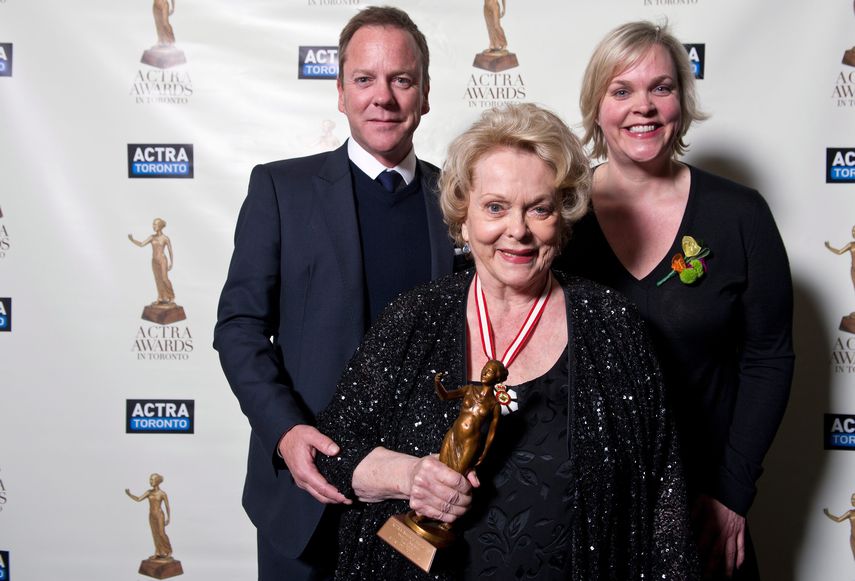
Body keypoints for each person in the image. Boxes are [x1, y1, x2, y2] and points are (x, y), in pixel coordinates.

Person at [315, 103, 697, 580]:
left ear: (562, 218)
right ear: (464, 218)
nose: (517, 230)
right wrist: (410, 476)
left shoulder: (612, 324)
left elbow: (665, 501)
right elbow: (331, 453)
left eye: (539, 208)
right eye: (495, 207)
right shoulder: (415, 317)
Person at [213, 6, 455, 580]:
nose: (383, 97)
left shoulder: (460, 201)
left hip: (424, 498)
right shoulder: (280, 189)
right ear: (340, 92)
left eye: (402, 79)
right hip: (310, 495)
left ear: (424, 94)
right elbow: (239, 327)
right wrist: (286, 432)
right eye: (364, 79)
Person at [556, 21, 794, 580]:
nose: (644, 106)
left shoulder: (740, 215)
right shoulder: (557, 216)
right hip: (583, 507)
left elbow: (770, 358)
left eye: (661, 88)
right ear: (596, 107)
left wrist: (733, 496)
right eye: (622, 90)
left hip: (702, 505)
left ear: (682, 104)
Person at [125, 473, 174, 560]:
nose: (150, 481)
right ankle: (158, 552)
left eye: (152, 479)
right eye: (150, 479)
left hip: (159, 515)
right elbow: (138, 499)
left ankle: (169, 550)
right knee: (155, 534)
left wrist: (168, 518)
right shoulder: (149, 492)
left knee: (161, 534)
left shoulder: (162, 494)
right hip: (151, 515)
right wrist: (129, 494)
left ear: (157, 481)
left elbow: (167, 506)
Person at [128, 218, 176, 306]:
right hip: (154, 261)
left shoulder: (165, 238)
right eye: (153, 224)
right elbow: (142, 244)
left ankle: (171, 296)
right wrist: (132, 240)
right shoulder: (152, 237)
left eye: (155, 224)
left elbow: (170, 251)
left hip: (162, 260)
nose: (153, 226)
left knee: (164, 279)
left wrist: (171, 263)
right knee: (158, 279)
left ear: (160, 226)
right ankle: (161, 297)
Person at [823, 493, 855, 560]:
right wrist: (828, 514)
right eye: (852, 499)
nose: (852, 501)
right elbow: (838, 519)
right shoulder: (850, 512)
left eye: (854, 499)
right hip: (853, 538)